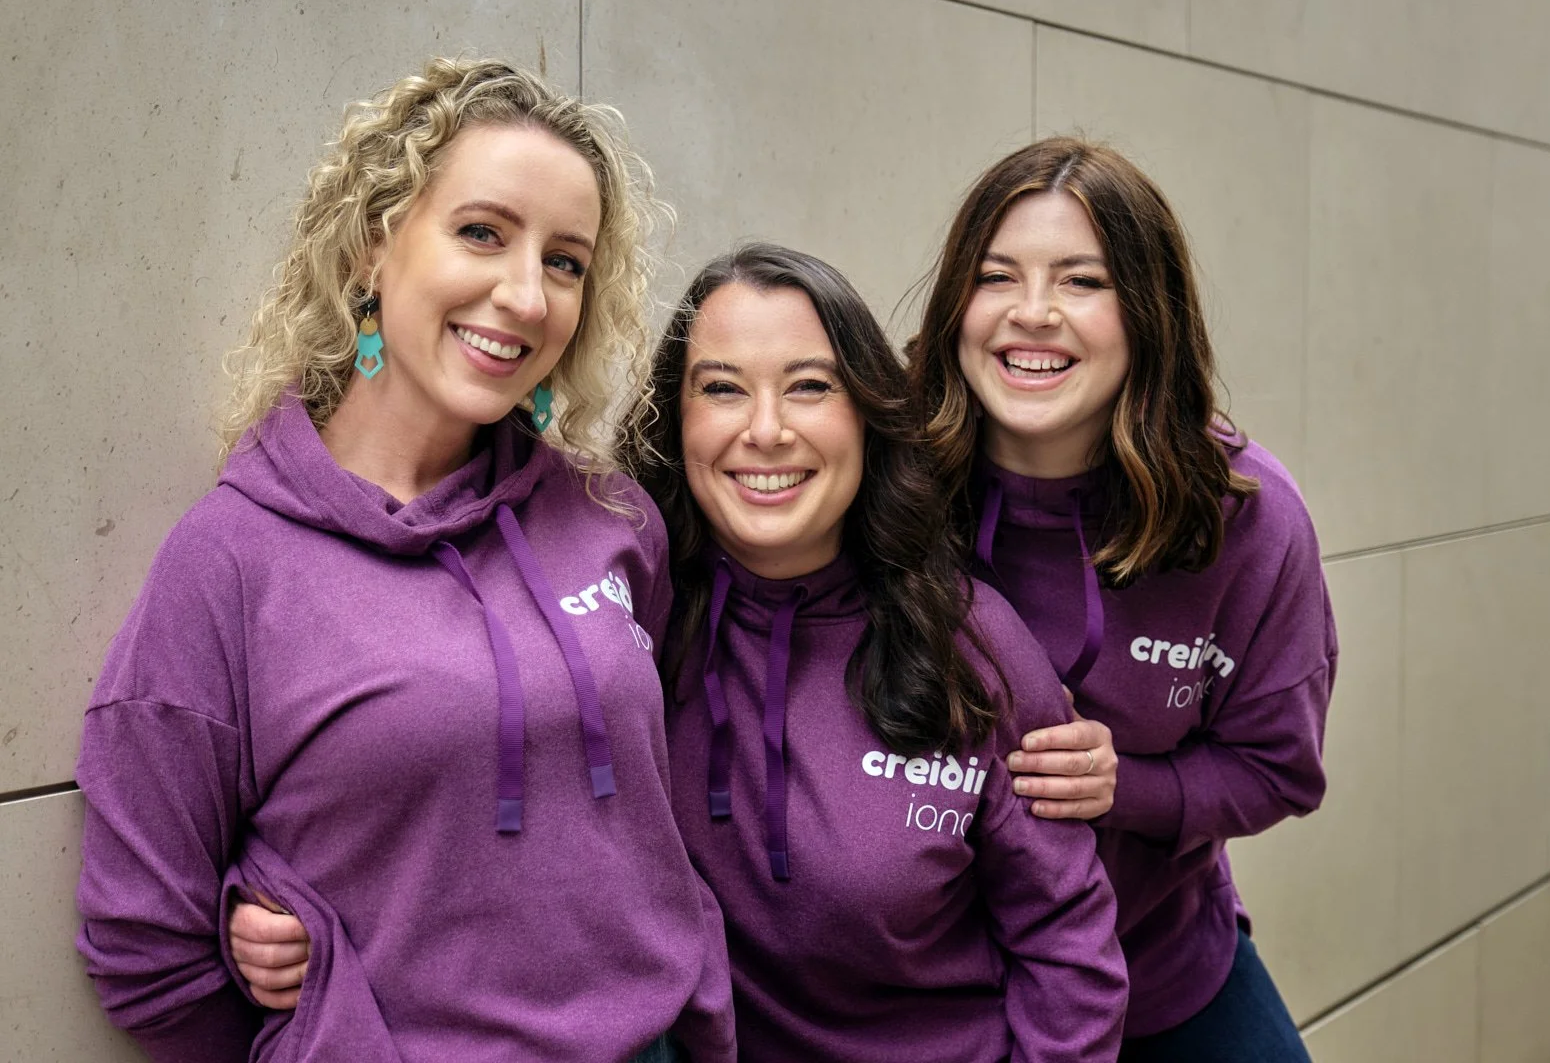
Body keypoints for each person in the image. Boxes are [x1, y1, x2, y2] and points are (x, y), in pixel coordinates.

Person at [75, 57, 732, 1063]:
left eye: (565, 261)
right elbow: (143, 948)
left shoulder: (612, 520)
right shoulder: (230, 563)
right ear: (372, 248)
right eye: (482, 233)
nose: (525, 295)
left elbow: (661, 814)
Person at [627, 243, 1127, 1060]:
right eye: (721, 388)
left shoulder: (974, 644)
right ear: (674, 419)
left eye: (810, 386)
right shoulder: (628, 625)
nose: (765, 430)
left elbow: (1066, 943)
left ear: (866, 412)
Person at [907, 136, 1336, 1061]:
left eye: (1081, 282)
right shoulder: (885, 484)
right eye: (996, 276)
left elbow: (1280, 769)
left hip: (1166, 975)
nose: (1032, 315)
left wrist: (1128, 789)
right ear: (955, 306)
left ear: (1148, 312)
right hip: (940, 1000)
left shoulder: (1246, 521)